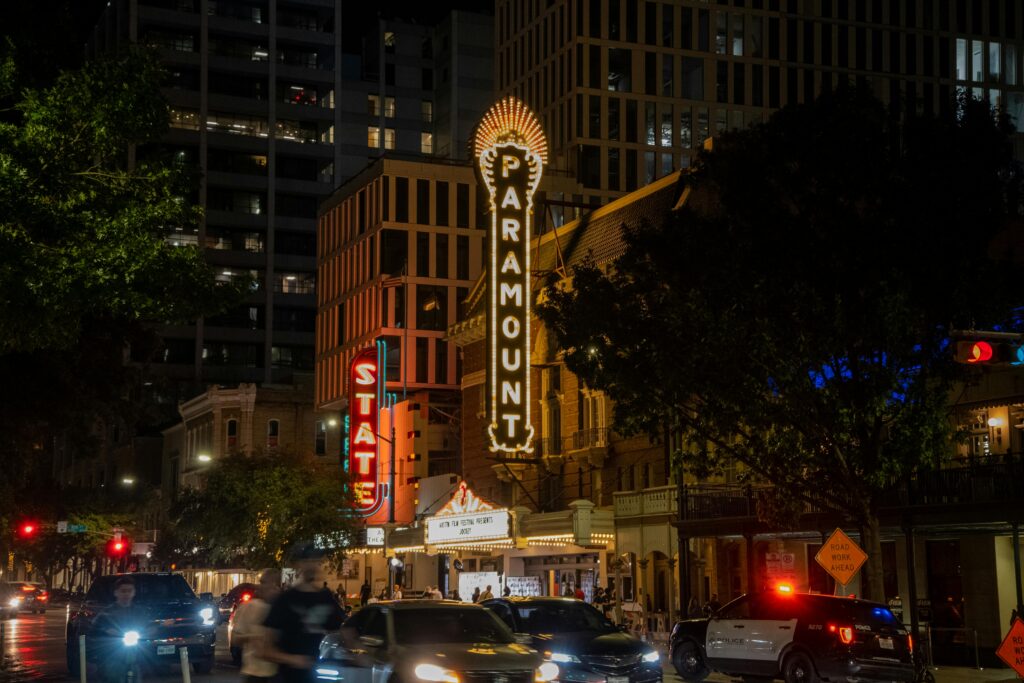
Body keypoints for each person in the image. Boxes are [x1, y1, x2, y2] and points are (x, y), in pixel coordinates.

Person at [263, 542, 346, 683]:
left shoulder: (326, 598)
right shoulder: (285, 600)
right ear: (298, 565)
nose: (312, 565)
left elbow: (343, 631)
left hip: (321, 676)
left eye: (316, 561)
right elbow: (265, 649)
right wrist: (292, 659)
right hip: (289, 678)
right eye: (307, 561)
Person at [92, 577, 147, 683]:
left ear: (134, 592)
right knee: (114, 676)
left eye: (129, 591)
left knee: (136, 676)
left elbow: (147, 625)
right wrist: (107, 631)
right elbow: (95, 628)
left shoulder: (139, 611)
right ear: (116, 592)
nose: (126, 594)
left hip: (134, 654)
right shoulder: (107, 612)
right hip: (112, 655)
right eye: (123, 591)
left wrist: (150, 631)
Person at [231, 568, 282, 683]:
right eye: (261, 582)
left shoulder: (282, 608)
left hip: (277, 672)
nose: (261, 586)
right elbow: (235, 638)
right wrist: (253, 636)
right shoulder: (249, 607)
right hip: (254, 672)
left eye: (265, 583)